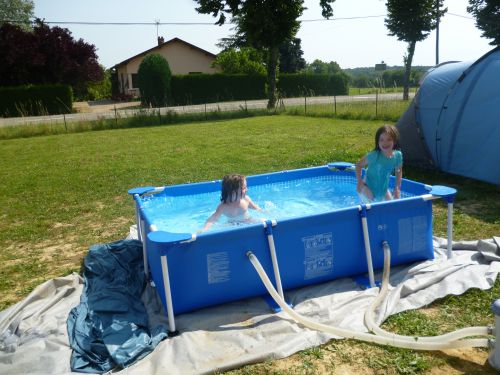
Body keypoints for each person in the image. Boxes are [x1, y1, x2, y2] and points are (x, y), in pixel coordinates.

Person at [355, 124, 403, 202]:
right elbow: (358, 165)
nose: (385, 143)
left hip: (382, 189)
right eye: (382, 140)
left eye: (389, 139)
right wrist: (359, 182)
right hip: (367, 187)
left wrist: (397, 187)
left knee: (392, 206)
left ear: (395, 140)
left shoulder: (397, 156)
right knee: (372, 207)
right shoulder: (374, 155)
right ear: (378, 142)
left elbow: (398, 170)